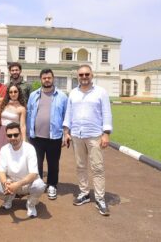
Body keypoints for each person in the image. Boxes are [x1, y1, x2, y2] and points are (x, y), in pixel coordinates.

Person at [63, 64, 113, 216]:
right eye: (81, 75)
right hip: (77, 135)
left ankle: (99, 198)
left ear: (92, 75)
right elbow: (68, 113)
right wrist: (66, 131)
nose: (84, 77)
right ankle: (84, 193)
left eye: (86, 74)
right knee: (80, 166)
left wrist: (106, 133)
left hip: (94, 135)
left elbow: (106, 112)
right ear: (77, 76)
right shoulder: (73, 93)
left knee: (97, 167)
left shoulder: (101, 92)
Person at [26, 68, 67, 200]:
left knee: (53, 163)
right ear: (41, 79)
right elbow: (29, 114)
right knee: (36, 163)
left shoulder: (62, 96)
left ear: (53, 78)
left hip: (54, 136)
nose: (47, 80)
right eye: (44, 78)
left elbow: (66, 116)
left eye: (49, 77)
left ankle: (52, 185)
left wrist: (66, 134)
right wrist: (28, 133)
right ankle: (37, 184)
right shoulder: (34, 95)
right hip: (36, 137)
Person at [0, 122, 46, 218]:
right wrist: (5, 183)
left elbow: (33, 174)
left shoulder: (29, 148)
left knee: (40, 186)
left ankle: (31, 204)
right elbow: (1, 171)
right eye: (9, 135)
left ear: (20, 134)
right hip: (10, 181)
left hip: (26, 182)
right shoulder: (4, 149)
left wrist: (17, 185)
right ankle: (9, 198)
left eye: (16, 135)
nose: (13, 137)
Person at [0, 83, 26, 178]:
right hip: (2, 132)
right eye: (11, 92)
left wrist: (24, 140)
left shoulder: (21, 108)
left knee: (12, 158)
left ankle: (11, 183)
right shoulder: (3, 104)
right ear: (8, 93)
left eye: (15, 91)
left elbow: (22, 125)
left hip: (13, 135)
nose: (13, 94)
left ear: (19, 93)